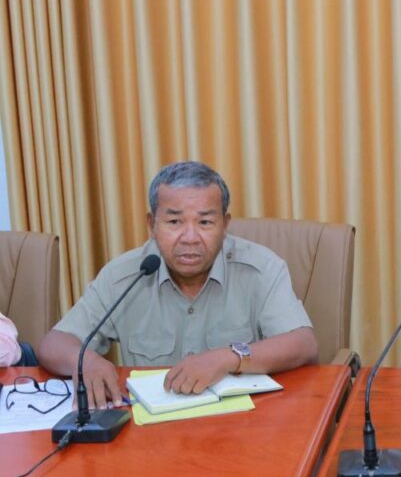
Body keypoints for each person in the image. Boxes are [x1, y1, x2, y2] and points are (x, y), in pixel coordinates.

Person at [38, 161, 318, 408]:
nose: (190, 237)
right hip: (151, 431)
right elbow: (55, 343)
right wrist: (85, 361)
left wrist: (228, 357)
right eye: (174, 221)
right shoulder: (125, 276)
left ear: (224, 224)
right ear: (152, 224)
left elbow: (303, 344)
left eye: (205, 222)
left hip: (242, 425)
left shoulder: (260, 268)